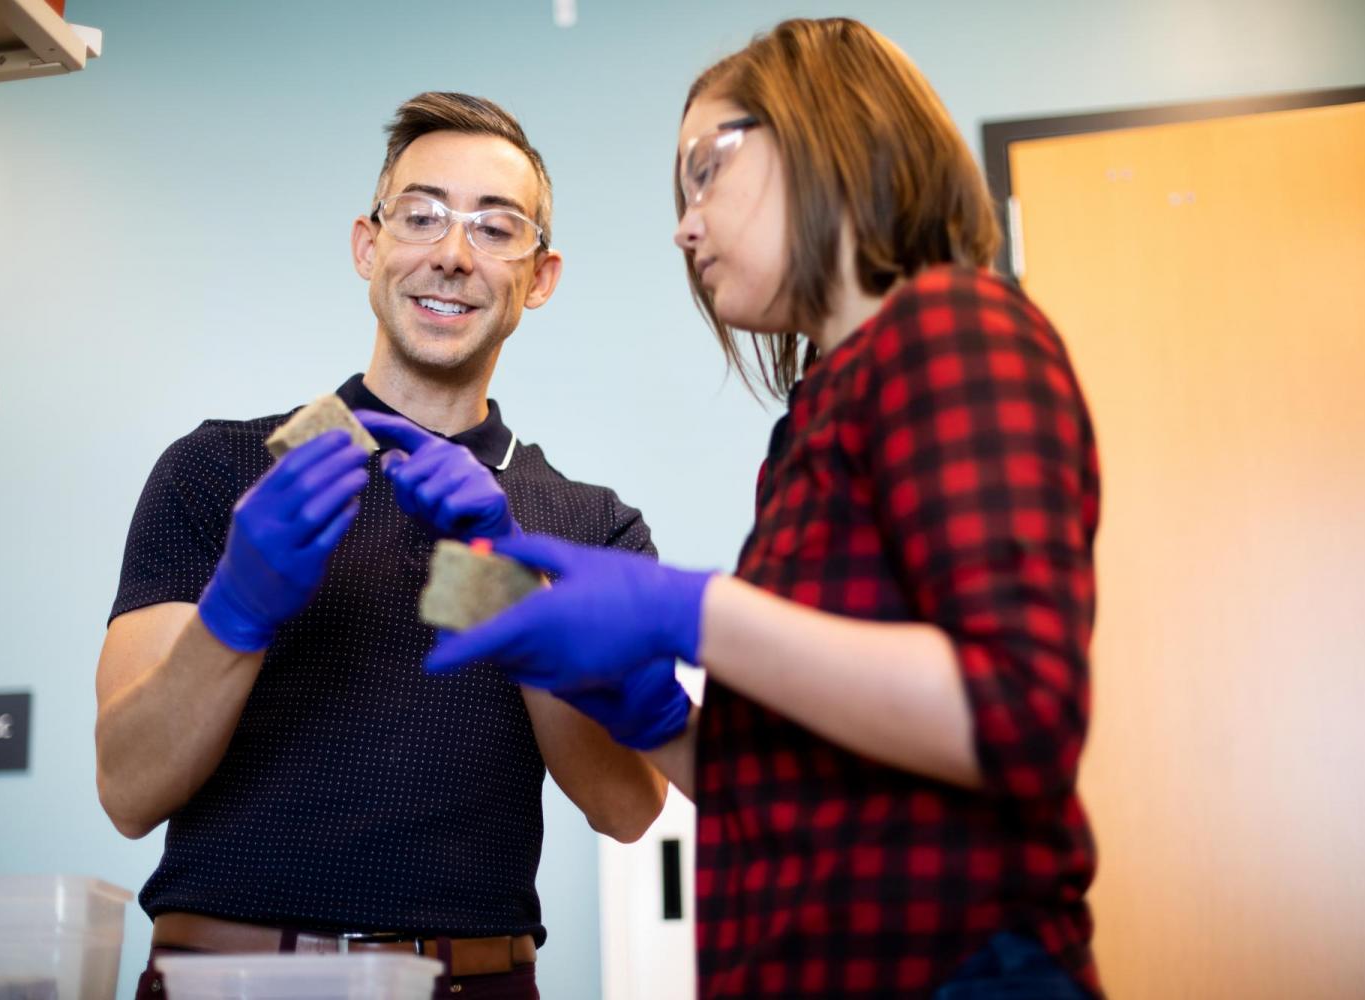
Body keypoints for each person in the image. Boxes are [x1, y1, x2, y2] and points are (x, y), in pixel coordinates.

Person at [420, 19, 1103, 999]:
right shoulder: (816, 417)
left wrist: (688, 609)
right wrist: (649, 714)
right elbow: (797, 797)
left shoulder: (954, 327)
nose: (684, 224)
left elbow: (1016, 713)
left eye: (708, 168)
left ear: (837, 133)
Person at [94, 92, 668, 1000]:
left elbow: (628, 806)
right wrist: (238, 607)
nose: (451, 251)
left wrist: (508, 589)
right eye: (421, 215)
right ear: (369, 245)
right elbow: (128, 790)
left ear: (541, 275)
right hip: (227, 980)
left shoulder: (589, 526)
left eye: (495, 227)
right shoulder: (225, 467)